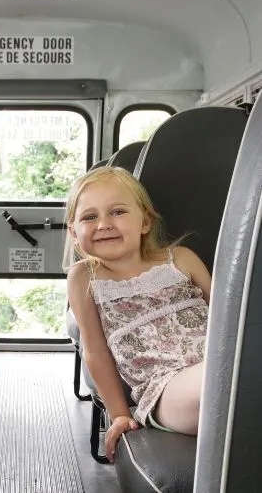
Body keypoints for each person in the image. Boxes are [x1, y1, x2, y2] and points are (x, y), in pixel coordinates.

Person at [64, 166, 210, 463]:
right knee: (218, 380)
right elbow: (95, 351)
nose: (103, 224)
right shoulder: (85, 277)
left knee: (231, 371)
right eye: (89, 217)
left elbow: (231, 315)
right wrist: (118, 413)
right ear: (74, 233)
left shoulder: (181, 259)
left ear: (145, 220)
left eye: (117, 212)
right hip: (166, 388)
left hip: (220, 359)